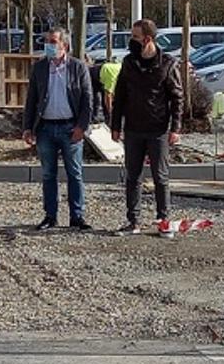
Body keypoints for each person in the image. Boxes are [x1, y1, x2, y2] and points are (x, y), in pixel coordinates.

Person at [110, 19, 183, 238]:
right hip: (133, 129)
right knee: (132, 176)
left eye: (135, 37)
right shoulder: (129, 63)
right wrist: (115, 125)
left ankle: (163, 221)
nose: (131, 41)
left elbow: (177, 97)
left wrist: (175, 128)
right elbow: (120, 95)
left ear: (148, 39)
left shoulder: (167, 63)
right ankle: (133, 221)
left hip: (158, 129)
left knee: (160, 177)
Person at [22, 27, 93, 231]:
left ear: (65, 45)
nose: (49, 46)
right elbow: (32, 99)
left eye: (53, 42)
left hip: (71, 127)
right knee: (48, 174)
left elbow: (88, 99)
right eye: (47, 41)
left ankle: (77, 216)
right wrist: (28, 127)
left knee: (75, 173)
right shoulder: (40, 68)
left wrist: (82, 126)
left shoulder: (78, 68)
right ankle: (50, 216)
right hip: (45, 128)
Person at [98, 56, 122, 123]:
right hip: (96, 75)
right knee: (95, 97)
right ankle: (108, 117)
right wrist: (111, 112)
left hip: (104, 71)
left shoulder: (123, 68)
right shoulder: (113, 77)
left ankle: (108, 117)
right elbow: (108, 96)